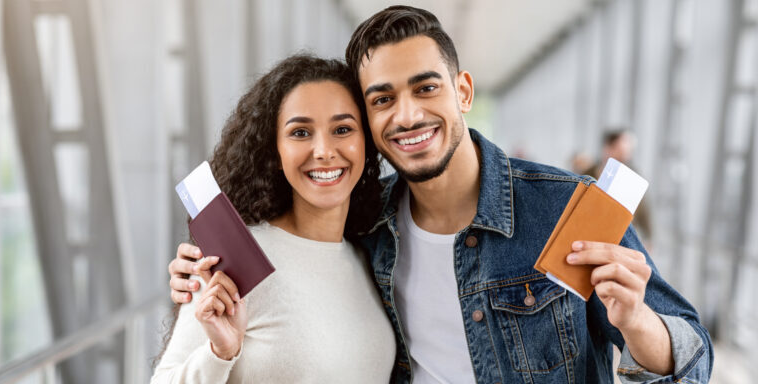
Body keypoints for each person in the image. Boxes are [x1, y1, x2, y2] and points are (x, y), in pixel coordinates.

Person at [167, 6, 713, 383]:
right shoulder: (365, 227)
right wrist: (197, 272)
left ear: (463, 91)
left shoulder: (565, 208)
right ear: (368, 119)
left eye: (425, 88)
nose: (407, 116)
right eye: (382, 99)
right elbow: (296, 265)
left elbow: (695, 360)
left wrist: (637, 322)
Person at [152, 54, 396, 383]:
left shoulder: (372, 255)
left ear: (365, 142)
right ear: (276, 152)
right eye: (300, 133)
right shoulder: (238, 257)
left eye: (342, 129)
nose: (323, 150)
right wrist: (219, 354)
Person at [585, 129, 653, 244]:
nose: (625, 155)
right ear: (608, 148)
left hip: (621, 239)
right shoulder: (588, 173)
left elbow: (643, 209)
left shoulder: (633, 177)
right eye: (620, 150)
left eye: (628, 151)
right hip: (589, 234)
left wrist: (648, 237)